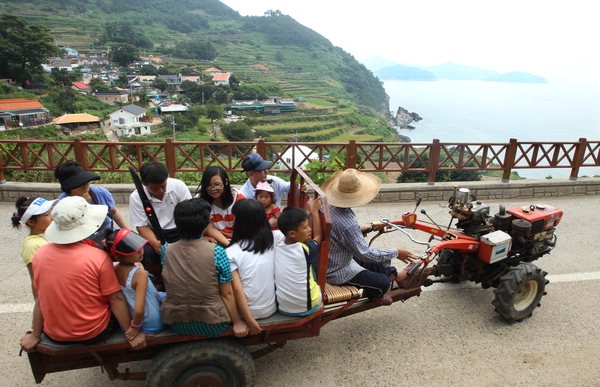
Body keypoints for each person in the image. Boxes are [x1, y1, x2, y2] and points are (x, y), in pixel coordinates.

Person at [20, 196, 146, 352]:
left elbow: (40, 297)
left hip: (54, 333)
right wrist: (131, 333)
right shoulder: (98, 257)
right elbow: (116, 298)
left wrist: (36, 334)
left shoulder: (40, 254)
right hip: (94, 332)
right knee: (129, 294)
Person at [321, 169, 416, 306]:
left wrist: (357, 231)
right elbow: (365, 254)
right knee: (381, 283)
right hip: (336, 270)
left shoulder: (325, 206)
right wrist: (396, 252)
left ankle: (398, 276)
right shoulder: (348, 224)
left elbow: (337, 230)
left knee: (377, 261)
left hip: (330, 257)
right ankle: (377, 295)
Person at [160, 198, 248, 338]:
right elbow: (227, 294)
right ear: (206, 224)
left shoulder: (166, 249)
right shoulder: (217, 252)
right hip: (213, 323)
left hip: (176, 321)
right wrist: (237, 322)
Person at [227, 199, 283, 334]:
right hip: (271, 307)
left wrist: (249, 320)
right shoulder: (274, 238)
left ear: (238, 221)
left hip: (249, 313)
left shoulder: (231, 253)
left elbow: (236, 290)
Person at [129, 161, 192, 276]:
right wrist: (155, 244)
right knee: (147, 253)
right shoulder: (136, 197)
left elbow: (189, 214)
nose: (160, 191)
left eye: (163, 185)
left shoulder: (179, 186)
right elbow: (142, 226)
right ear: (144, 183)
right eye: (155, 188)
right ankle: (159, 280)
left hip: (180, 229)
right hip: (155, 233)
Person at [106, 228, 165, 337]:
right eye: (133, 250)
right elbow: (139, 310)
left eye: (139, 247)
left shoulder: (114, 270)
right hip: (151, 322)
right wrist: (135, 328)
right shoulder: (140, 274)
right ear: (119, 256)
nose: (140, 251)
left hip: (132, 318)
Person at [55, 161, 128, 241]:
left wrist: (127, 232)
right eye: (79, 184)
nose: (85, 186)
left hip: (107, 237)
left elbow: (113, 211)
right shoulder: (62, 205)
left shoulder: (100, 193)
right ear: (68, 188)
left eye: (86, 181)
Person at [274, 198, 323, 316]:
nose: (309, 229)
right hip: (307, 307)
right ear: (292, 233)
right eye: (306, 227)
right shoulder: (305, 249)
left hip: (284, 307)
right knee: (310, 268)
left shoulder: (277, 246)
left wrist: (307, 212)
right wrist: (315, 211)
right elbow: (318, 235)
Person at [11, 197, 55, 298]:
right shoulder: (32, 245)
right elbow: (35, 278)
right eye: (47, 215)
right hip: (50, 294)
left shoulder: (51, 233)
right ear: (31, 222)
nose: (52, 216)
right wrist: (40, 303)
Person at [197, 166, 245, 246]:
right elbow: (208, 227)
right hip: (214, 242)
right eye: (208, 185)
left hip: (238, 241)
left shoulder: (239, 198)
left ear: (226, 182)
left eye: (217, 184)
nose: (213, 189)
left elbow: (244, 225)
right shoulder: (199, 200)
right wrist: (229, 245)